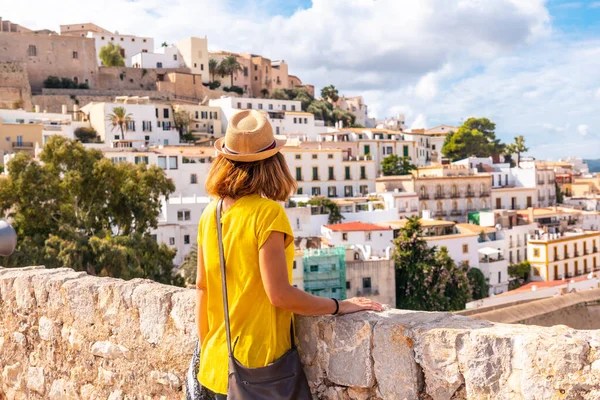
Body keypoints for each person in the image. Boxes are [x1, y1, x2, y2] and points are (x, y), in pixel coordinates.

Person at [195, 109, 383, 399]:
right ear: (273, 162)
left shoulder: (210, 213)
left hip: (216, 364)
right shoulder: (267, 214)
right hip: (259, 366)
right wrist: (339, 305)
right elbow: (279, 294)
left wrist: (209, 345)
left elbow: (202, 287)